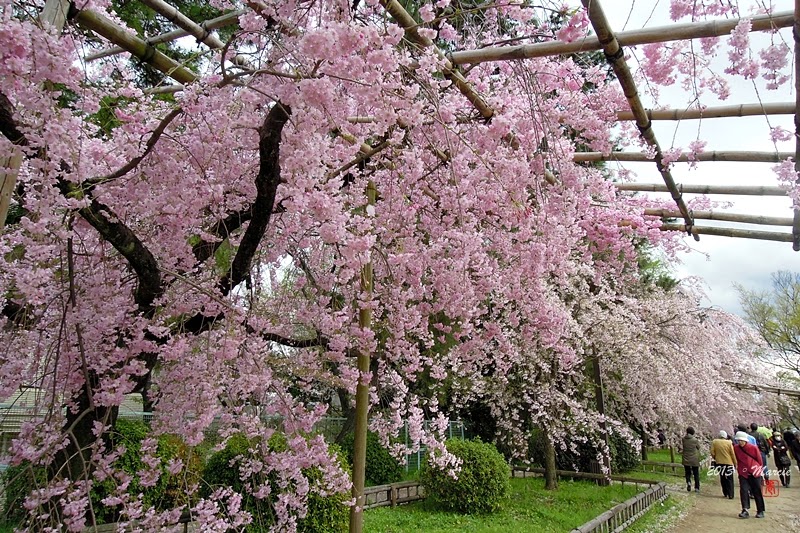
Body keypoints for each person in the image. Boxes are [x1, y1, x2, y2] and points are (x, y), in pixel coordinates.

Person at [734, 431, 766, 519]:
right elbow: (737, 459)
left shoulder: (753, 448)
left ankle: (760, 510)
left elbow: (759, 460)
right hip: (743, 472)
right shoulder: (736, 448)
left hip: (754, 471)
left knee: (757, 491)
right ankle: (745, 509)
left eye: (742, 440)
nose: (740, 442)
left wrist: (759, 471)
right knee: (743, 490)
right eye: (739, 440)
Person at [710, 430, 737, 499]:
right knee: (730, 478)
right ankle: (731, 494)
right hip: (729, 462)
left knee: (722, 477)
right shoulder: (729, 442)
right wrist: (735, 463)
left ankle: (725, 492)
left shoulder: (715, 442)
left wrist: (715, 457)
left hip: (719, 462)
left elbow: (712, 452)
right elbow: (732, 454)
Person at [682, 426, 701, 493]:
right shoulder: (695, 440)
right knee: (696, 473)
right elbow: (698, 447)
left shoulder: (683, 439)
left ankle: (689, 482)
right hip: (694, 459)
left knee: (687, 472)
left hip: (686, 458)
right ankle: (697, 487)